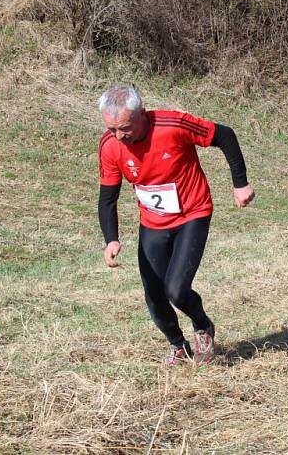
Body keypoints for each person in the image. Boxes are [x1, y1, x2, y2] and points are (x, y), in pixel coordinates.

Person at [97, 84, 255, 366]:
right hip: (153, 223)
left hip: (192, 214)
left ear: (142, 115)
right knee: (154, 295)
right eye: (112, 129)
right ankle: (178, 345)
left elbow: (225, 135)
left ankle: (203, 326)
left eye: (125, 128)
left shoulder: (172, 125)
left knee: (177, 290)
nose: (119, 136)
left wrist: (240, 183)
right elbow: (108, 197)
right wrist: (111, 238)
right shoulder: (110, 147)